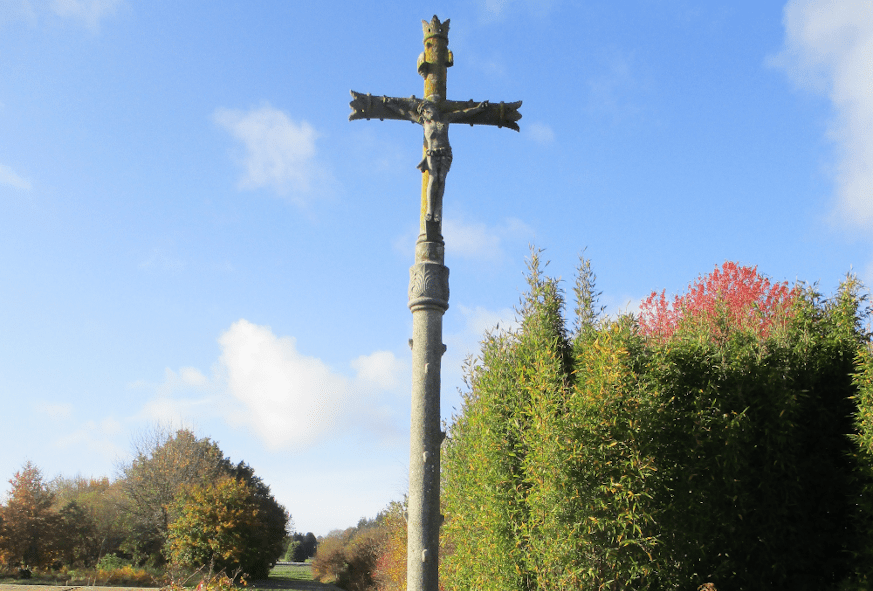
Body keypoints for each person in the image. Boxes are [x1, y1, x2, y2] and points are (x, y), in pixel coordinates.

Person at [384, 95, 488, 222]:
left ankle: (437, 210)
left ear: (433, 109)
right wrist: (390, 105)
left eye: (427, 110)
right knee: (433, 180)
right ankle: (430, 210)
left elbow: (463, 113)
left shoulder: (445, 118)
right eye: (423, 112)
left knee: (441, 180)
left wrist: (478, 109)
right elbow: (405, 113)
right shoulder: (424, 122)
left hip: (446, 153)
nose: (426, 113)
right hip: (432, 153)